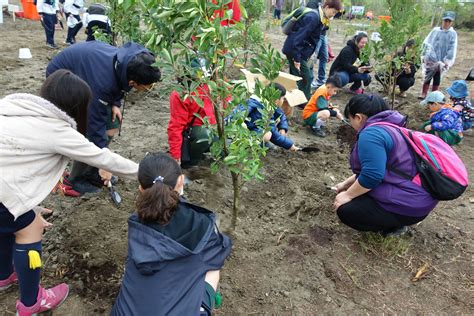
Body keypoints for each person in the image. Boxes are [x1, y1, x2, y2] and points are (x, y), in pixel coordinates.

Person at [0, 70, 139, 316]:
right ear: (76, 106)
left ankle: (3, 274)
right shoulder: (56, 130)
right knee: (30, 226)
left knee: (11, 222)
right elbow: (103, 157)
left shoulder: (12, 106)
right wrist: (148, 173)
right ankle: (32, 301)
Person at [111, 153, 232, 315]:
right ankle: (202, 308)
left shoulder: (136, 222)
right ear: (181, 181)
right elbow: (220, 252)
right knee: (212, 267)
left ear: (140, 188)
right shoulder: (200, 224)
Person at [46, 41, 161, 196]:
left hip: (89, 73)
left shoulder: (128, 63)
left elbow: (119, 81)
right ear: (133, 83)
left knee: (112, 124)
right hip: (61, 79)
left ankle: (92, 170)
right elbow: (94, 124)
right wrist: (104, 164)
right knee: (85, 132)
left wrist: (114, 103)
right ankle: (76, 179)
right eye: (148, 86)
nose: (149, 89)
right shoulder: (102, 84)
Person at [334, 94, 438, 235]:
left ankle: (394, 225)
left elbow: (372, 176)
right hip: (421, 201)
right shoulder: (394, 129)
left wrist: (347, 195)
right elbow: (376, 169)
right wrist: (345, 184)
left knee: (346, 209)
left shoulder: (371, 134)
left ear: (358, 117)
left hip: (410, 206)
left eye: (350, 119)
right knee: (360, 191)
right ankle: (399, 219)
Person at [282, 0, 343, 99]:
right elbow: (298, 38)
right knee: (306, 77)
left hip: (301, 51)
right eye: (333, 12)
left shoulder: (320, 18)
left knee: (300, 76)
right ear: (327, 7)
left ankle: (298, 98)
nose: (333, 15)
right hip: (295, 51)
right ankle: (302, 101)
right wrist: (297, 59)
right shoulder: (313, 17)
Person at [235, 83, 299, 151]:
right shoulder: (263, 108)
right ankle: (249, 146)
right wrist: (290, 145)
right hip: (245, 132)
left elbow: (281, 114)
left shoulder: (266, 103)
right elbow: (273, 133)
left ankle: (259, 143)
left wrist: (283, 127)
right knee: (267, 134)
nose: (283, 101)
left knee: (266, 133)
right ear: (277, 100)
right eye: (283, 99)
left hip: (252, 129)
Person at [168, 82, 216, 168]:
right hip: (193, 132)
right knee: (204, 136)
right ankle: (191, 163)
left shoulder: (212, 83)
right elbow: (176, 127)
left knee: (228, 144)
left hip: (211, 127)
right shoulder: (181, 94)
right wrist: (176, 155)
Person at [419, 11, 458, 99]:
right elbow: (428, 42)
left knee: (437, 77)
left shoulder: (452, 33)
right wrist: (424, 54)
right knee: (428, 75)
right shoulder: (435, 31)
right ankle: (423, 93)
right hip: (431, 58)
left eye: (449, 21)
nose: (447, 23)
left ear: (451, 22)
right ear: (442, 20)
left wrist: (448, 60)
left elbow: (452, 47)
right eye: (445, 21)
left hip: (442, 60)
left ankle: (434, 95)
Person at [307, 0, 331, 90]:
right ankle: (310, 81)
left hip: (324, 34)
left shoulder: (327, 3)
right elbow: (310, 19)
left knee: (324, 57)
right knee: (312, 57)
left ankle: (321, 80)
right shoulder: (313, 3)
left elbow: (335, 15)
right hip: (316, 34)